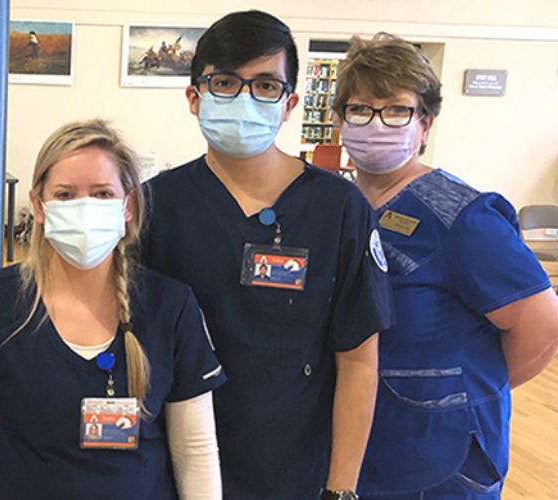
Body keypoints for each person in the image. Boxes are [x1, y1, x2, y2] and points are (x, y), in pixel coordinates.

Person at [140, 11, 392, 500]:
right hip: (171, 469)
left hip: (290, 470)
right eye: (225, 82)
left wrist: (341, 491)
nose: (244, 98)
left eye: (265, 86)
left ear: (290, 103)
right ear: (195, 97)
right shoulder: (155, 206)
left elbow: (359, 361)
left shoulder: (338, 208)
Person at [0, 120, 226, 499]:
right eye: (65, 195)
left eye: (102, 194)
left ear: (128, 205)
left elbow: (196, 451)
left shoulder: (170, 305)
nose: (85, 208)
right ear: (38, 205)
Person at [334, 34, 558, 500]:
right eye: (359, 109)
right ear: (339, 120)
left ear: (426, 124)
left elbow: (541, 325)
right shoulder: (340, 205)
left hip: (442, 453)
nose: (376, 124)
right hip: (367, 443)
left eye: (396, 110)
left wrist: (465, 393)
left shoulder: (461, 216)